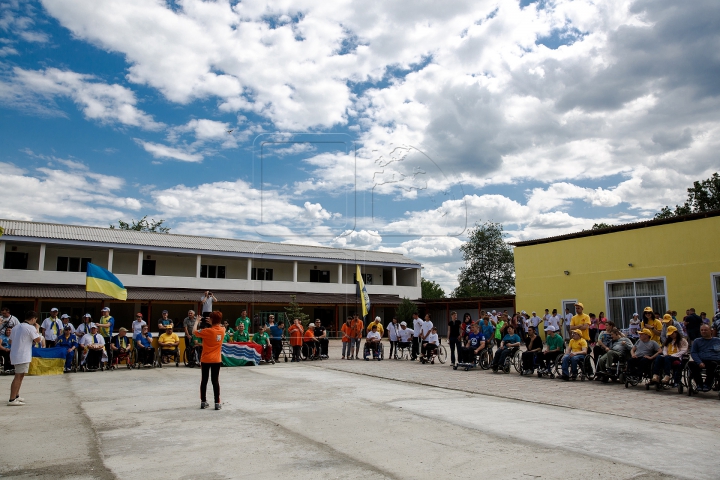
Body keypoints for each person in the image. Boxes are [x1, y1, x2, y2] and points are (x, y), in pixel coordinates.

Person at [7, 311, 43, 406]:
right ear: (33, 319)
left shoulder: (16, 327)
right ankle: (12, 399)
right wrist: (37, 329)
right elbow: (38, 340)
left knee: (21, 376)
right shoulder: (30, 327)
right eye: (35, 319)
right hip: (22, 354)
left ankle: (16, 395)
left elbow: (10, 341)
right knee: (18, 376)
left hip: (15, 353)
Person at [193, 310, 225, 410]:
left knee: (204, 380)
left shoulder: (207, 331)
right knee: (215, 381)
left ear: (211, 319)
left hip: (206, 359)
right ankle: (217, 402)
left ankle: (203, 401)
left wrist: (197, 321)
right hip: (216, 359)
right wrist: (213, 322)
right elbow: (218, 326)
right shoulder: (222, 330)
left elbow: (194, 332)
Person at [687, 324, 720, 393]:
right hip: (701, 360)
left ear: (711, 331)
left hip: (714, 360)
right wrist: (699, 362)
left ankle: (707, 384)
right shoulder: (697, 341)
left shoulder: (717, 340)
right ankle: (699, 384)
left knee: (713, 365)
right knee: (690, 364)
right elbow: (694, 352)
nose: (703, 331)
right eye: (702, 330)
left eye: (705, 330)